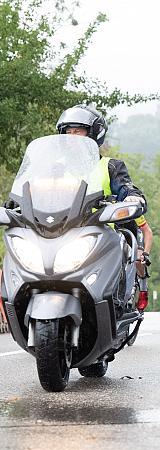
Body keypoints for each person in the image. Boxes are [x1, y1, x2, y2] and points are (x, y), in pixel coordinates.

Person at [56, 104, 152, 308]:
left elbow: (126, 188)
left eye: (78, 131)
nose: (72, 137)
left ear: (93, 135)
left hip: (104, 235)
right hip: (64, 234)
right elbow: (36, 188)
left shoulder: (110, 166)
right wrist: (18, 200)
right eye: (68, 132)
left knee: (121, 249)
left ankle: (117, 303)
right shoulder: (57, 169)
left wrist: (133, 197)